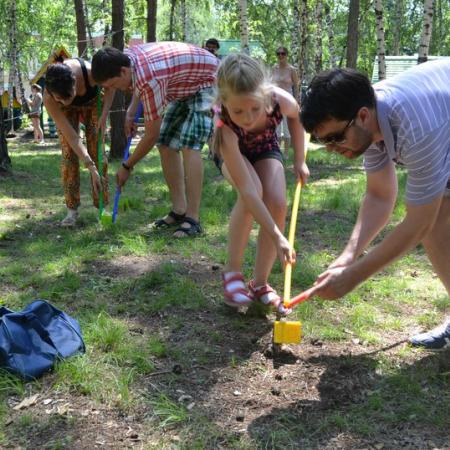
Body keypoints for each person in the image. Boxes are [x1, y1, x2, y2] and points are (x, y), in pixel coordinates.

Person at [300, 60, 450, 350]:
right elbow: (380, 196)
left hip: (438, 121)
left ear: (363, 116)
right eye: (323, 142)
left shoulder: (417, 126)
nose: (332, 148)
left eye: (335, 137)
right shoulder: (367, 124)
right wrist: (348, 257)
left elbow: (418, 224)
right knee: (439, 222)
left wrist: (354, 276)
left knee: (432, 222)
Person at [91, 43, 219, 238]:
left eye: (113, 85)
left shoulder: (150, 79)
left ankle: (193, 219)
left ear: (123, 71)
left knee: (189, 145)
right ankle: (179, 210)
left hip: (208, 81)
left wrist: (127, 166)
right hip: (183, 87)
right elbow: (138, 85)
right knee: (166, 143)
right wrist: (131, 111)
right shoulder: (127, 59)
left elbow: (151, 134)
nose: (115, 90)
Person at [213, 53, 309, 310]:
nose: (247, 117)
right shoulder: (225, 123)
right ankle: (232, 274)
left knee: (277, 202)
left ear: (265, 95)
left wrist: (300, 159)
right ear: (224, 102)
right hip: (233, 153)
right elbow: (247, 191)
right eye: (238, 110)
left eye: (255, 108)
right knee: (252, 191)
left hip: (264, 146)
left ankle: (260, 283)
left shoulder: (279, 99)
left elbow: (297, 116)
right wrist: (278, 237)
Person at [43, 59, 115, 226]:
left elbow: (111, 87)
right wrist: (89, 166)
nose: (65, 101)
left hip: (93, 102)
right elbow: (73, 137)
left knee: (98, 151)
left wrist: (104, 114)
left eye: (69, 95)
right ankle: (72, 211)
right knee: (69, 154)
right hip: (66, 114)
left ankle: (102, 207)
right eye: (60, 98)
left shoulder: (91, 73)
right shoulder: (49, 97)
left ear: (75, 82)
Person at [272, 47, 300, 161]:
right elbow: (270, 83)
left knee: (287, 129)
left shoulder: (291, 69)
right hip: (275, 101)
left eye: (283, 54)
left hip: (288, 100)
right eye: (278, 54)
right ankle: (278, 152)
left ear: (286, 55)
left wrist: (297, 100)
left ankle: (287, 153)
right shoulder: (274, 68)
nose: (280, 56)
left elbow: (296, 86)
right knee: (276, 128)